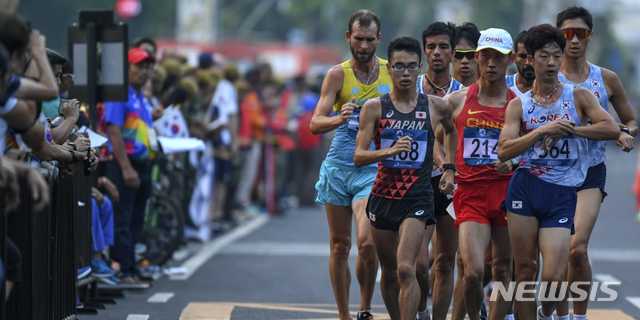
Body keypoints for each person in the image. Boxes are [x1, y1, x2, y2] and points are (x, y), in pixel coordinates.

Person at [497, 24, 619, 320]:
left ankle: (545, 311)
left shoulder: (579, 97)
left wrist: (572, 130)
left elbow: (611, 128)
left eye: (556, 56)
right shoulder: (518, 105)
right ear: (530, 61)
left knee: (552, 275)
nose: (551, 63)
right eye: (544, 56)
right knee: (525, 270)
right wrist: (540, 132)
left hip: (562, 193)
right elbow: (504, 150)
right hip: (525, 188)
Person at [354, 36, 456, 320]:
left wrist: (449, 167)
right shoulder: (375, 108)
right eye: (399, 66)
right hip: (383, 197)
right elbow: (359, 156)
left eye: (411, 67)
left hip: (418, 197)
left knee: (406, 268)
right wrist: (390, 150)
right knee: (388, 273)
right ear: (390, 70)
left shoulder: (436, 106)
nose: (406, 73)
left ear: (419, 67)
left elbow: (451, 130)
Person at [554, 7, 638, 320]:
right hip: (551, 171)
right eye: (567, 34)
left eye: (581, 33)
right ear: (558, 36)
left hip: (590, 170)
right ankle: (559, 313)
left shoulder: (606, 78)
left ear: (590, 37)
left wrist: (626, 133)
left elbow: (628, 119)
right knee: (557, 251)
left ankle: (579, 315)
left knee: (576, 247)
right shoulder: (547, 77)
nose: (574, 40)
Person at [310, 9, 389, 320]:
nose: (364, 46)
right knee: (340, 246)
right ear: (348, 38)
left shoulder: (391, 72)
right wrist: (338, 118)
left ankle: (366, 307)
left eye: (370, 40)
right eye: (359, 39)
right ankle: (344, 315)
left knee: (368, 243)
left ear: (378, 39)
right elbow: (315, 123)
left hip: (372, 168)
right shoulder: (337, 75)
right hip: (339, 167)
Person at [446, 28, 516, 320]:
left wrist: (513, 163)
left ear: (509, 60)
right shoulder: (458, 100)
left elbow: (529, 150)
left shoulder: (518, 105)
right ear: (477, 57)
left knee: (502, 269)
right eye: (485, 56)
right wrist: (448, 167)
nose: (491, 64)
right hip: (471, 194)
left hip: (507, 193)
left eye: (498, 58)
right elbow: (443, 135)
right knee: (472, 271)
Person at [102, 47, 156, 287]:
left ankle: (131, 266)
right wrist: (125, 168)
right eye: (139, 66)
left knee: (136, 219)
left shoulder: (139, 95)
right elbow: (113, 129)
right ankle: (124, 270)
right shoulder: (119, 93)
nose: (145, 71)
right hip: (126, 164)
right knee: (123, 218)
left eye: (147, 67)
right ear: (126, 68)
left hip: (142, 164)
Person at [506, 31, 535, 97]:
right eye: (523, 56)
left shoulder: (552, 90)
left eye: (532, 56)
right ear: (514, 57)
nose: (527, 62)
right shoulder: (502, 85)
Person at [452, 22, 481, 87]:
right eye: (459, 54)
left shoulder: (489, 92)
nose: (464, 60)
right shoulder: (440, 92)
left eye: (470, 54)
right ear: (450, 55)